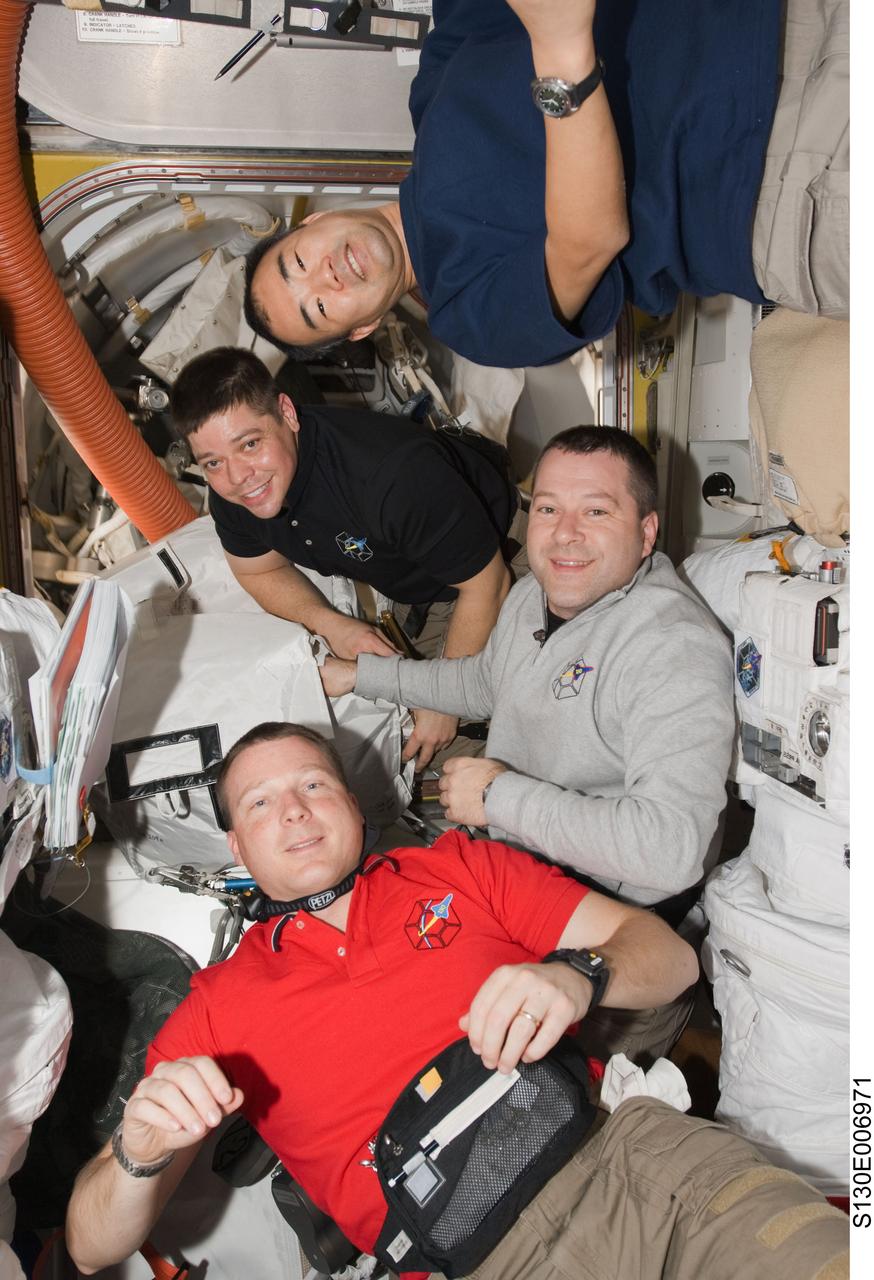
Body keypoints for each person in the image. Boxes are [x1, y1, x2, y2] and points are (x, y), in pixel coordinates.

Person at [64, 724, 849, 1280]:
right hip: (467, 1262)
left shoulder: (458, 869)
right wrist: (138, 1150)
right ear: (236, 848)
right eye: (260, 804)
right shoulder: (218, 1006)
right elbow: (89, 1247)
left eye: (311, 785)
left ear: (352, 803)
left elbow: (672, 959)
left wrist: (580, 974)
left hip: (634, 1166)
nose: (295, 811)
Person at [322, 426, 735, 1061]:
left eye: (596, 511)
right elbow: (486, 685)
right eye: (547, 508)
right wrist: (363, 676)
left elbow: (670, 850)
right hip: (519, 878)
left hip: (614, 925)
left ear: (646, 531)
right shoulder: (530, 597)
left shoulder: (671, 647)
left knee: (561, 1109)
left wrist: (501, 799)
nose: (564, 534)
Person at [244, 0, 848, 370]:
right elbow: (590, 241)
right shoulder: (468, 317)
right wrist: (561, 49)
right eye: (319, 307)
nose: (326, 276)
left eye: (299, 261)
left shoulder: (431, 99)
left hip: (776, 16)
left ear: (317, 221)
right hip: (782, 191)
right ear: (362, 328)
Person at [171, 346, 520, 769]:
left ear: (287, 412)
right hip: (421, 585)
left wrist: (443, 699)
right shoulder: (235, 492)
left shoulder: (388, 476)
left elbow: (488, 584)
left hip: (499, 567)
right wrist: (333, 625)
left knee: (477, 749)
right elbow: (258, 568)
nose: (237, 477)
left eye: (249, 443)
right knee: (399, 748)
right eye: (212, 462)